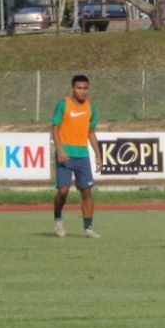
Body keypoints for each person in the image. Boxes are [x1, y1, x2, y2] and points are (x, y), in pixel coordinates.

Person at [51, 75, 101, 238]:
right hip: (65, 153)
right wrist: (60, 149)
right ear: (73, 88)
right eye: (79, 88)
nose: (82, 91)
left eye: (85, 88)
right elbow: (55, 128)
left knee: (86, 192)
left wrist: (98, 155)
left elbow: (91, 133)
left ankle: (88, 228)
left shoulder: (90, 108)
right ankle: (58, 219)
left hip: (82, 155)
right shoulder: (63, 105)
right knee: (63, 191)